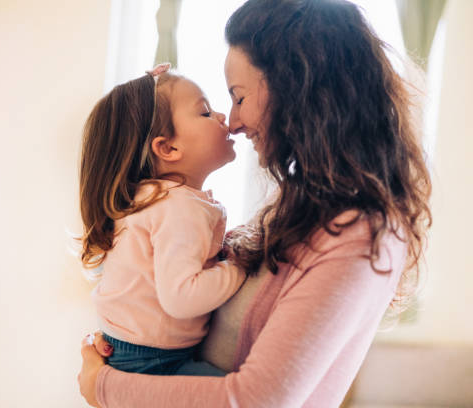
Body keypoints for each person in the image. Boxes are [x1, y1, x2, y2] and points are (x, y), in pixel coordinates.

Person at [78, 0, 432, 406]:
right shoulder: (300, 207)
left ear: (297, 90)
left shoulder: (358, 236)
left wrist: (101, 385)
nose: (232, 121)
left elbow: (254, 401)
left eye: (239, 97)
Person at [78, 63, 246, 376]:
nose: (223, 117)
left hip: (133, 351)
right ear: (167, 148)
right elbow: (183, 298)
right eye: (206, 113)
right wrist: (241, 266)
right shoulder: (177, 206)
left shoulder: (155, 198)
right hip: (153, 362)